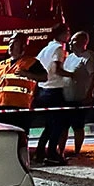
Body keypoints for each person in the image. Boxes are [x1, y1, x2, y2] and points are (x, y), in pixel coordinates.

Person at [0, 32, 47, 134]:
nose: (11, 46)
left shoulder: (31, 62)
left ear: (23, 46)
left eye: (15, 43)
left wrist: (27, 74)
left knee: (20, 137)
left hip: (21, 109)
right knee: (2, 136)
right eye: (10, 43)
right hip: (1, 108)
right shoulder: (1, 65)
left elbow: (44, 77)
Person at [34, 23, 74, 165]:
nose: (69, 35)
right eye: (67, 32)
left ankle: (40, 153)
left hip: (43, 90)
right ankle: (52, 154)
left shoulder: (45, 49)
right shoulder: (58, 49)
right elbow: (57, 70)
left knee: (49, 125)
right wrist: (73, 75)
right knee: (58, 125)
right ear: (61, 34)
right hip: (55, 90)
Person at [59, 31, 94, 158]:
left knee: (77, 126)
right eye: (71, 40)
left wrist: (90, 92)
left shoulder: (89, 57)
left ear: (84, 42)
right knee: (63, 126)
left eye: (74, 40)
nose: (70, 42)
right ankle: (60, 152)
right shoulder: (70, 57)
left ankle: (77, 152)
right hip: (66, 98)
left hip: (80, 98)